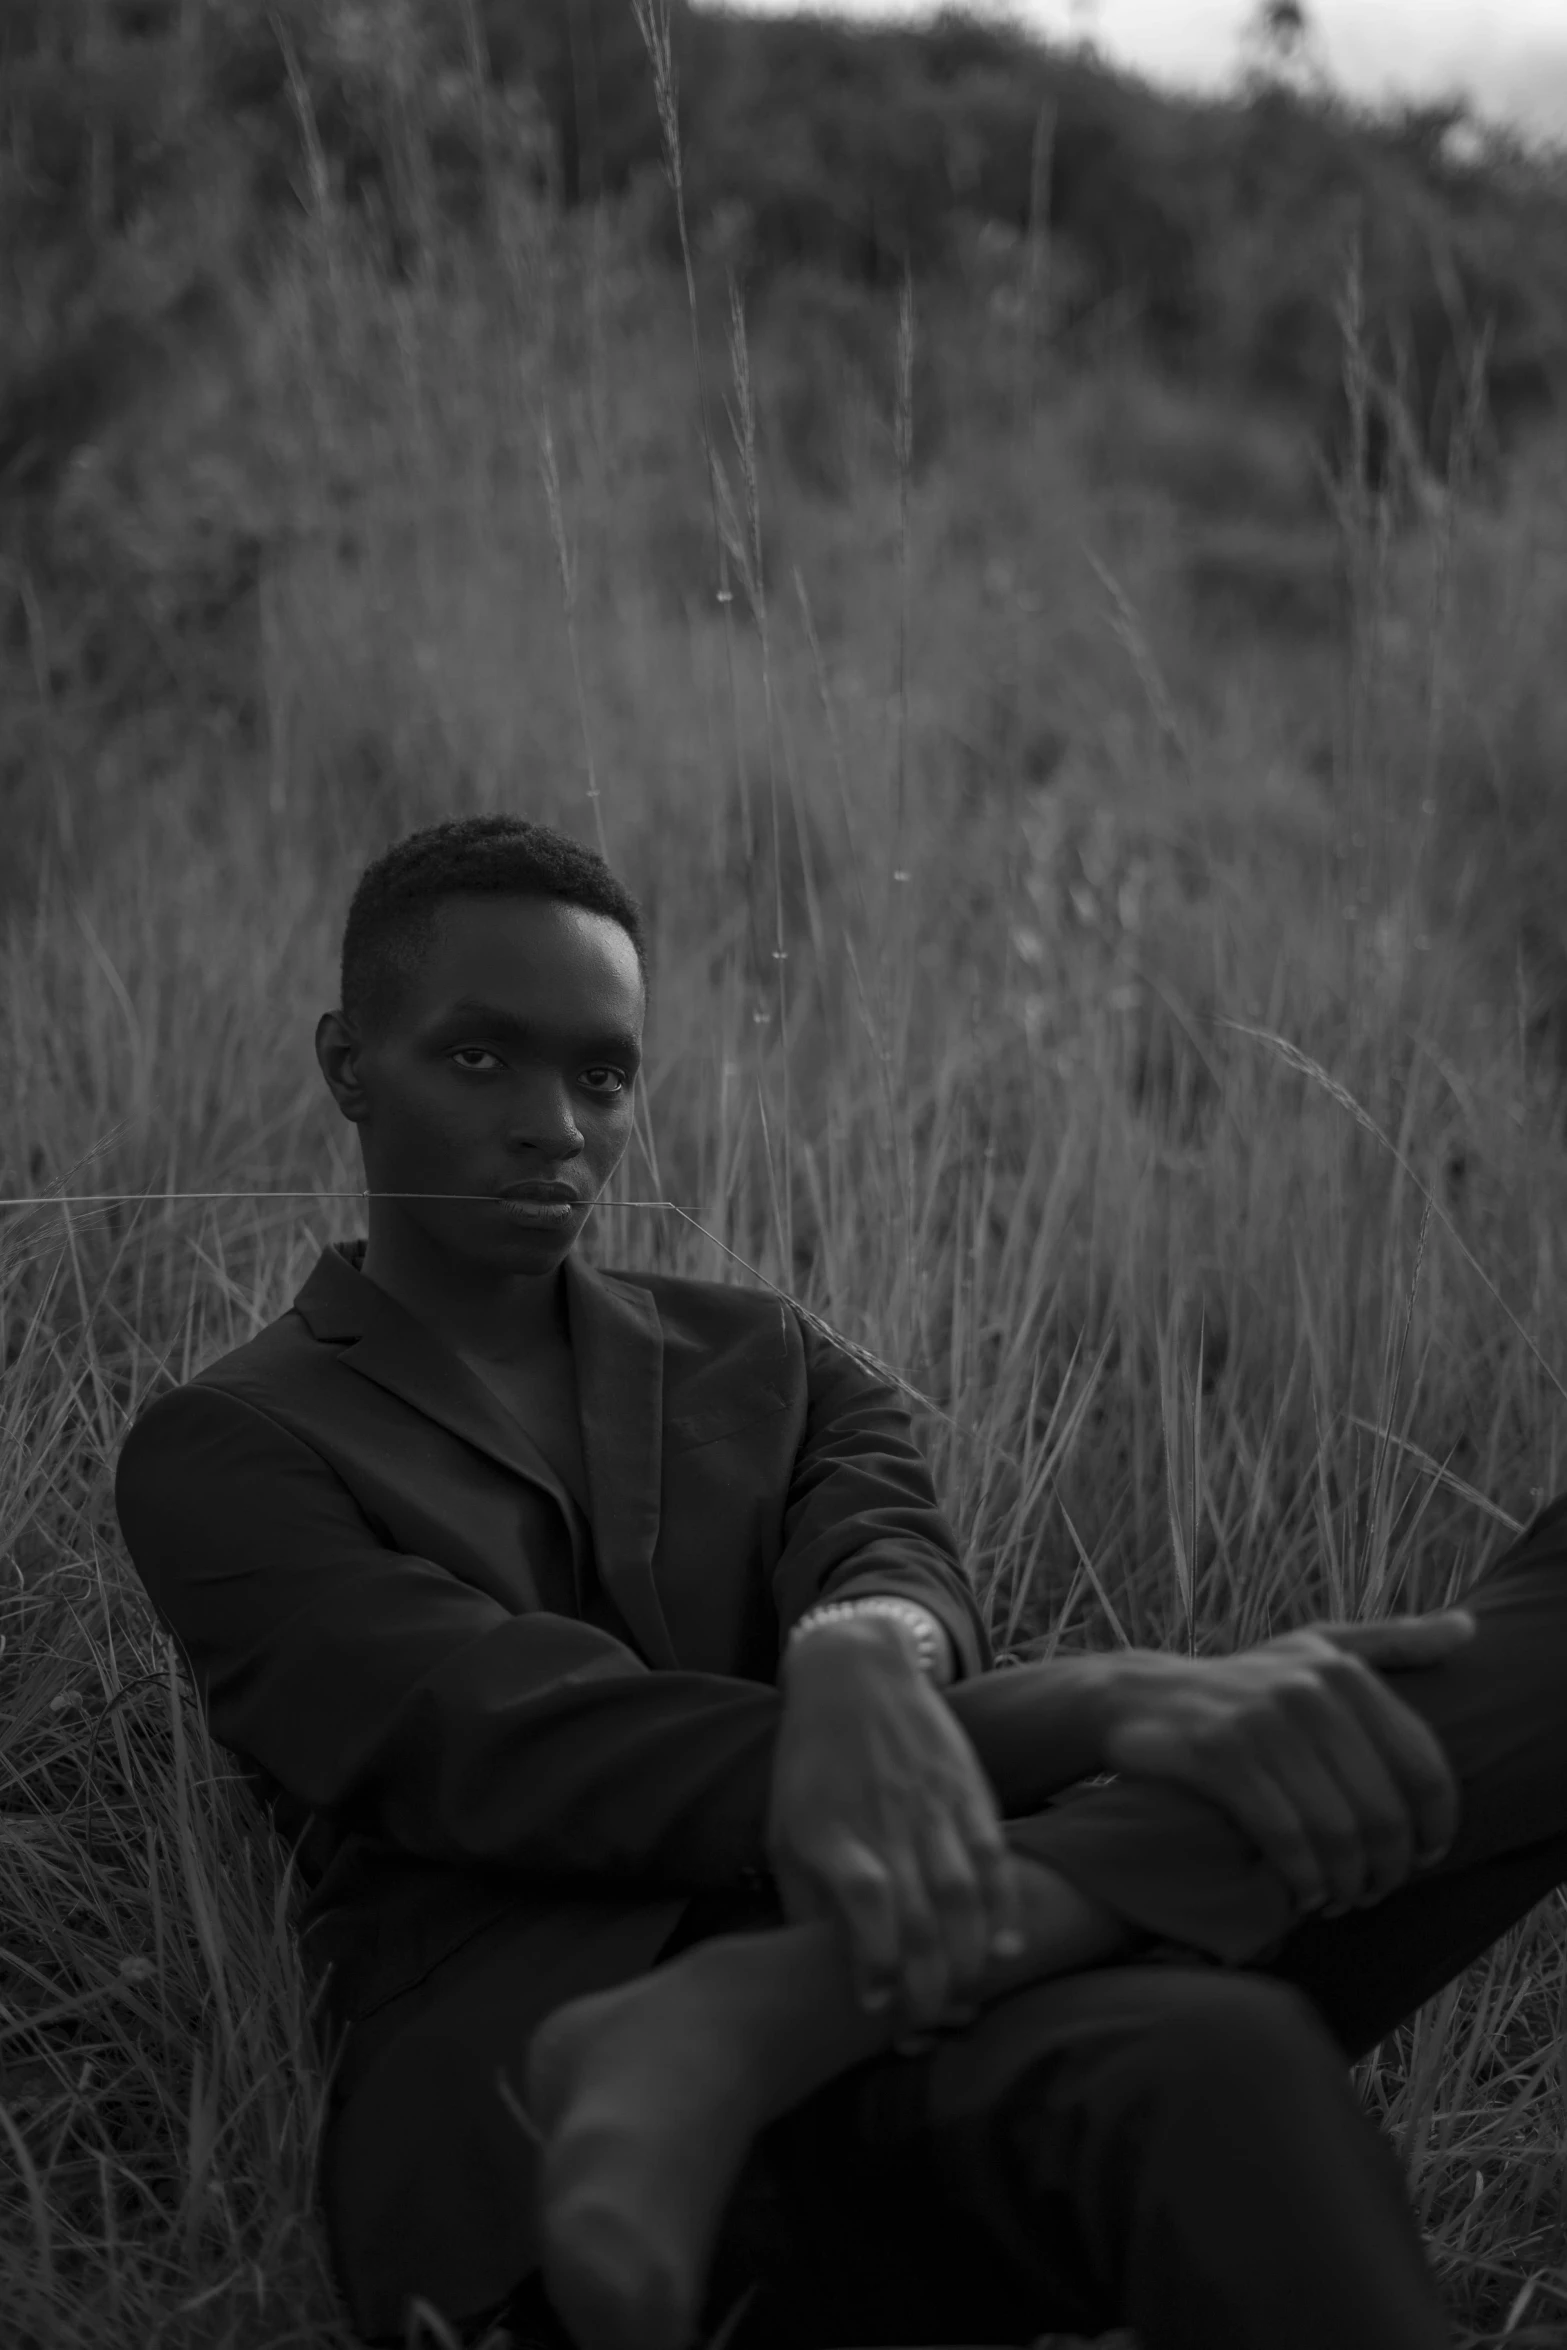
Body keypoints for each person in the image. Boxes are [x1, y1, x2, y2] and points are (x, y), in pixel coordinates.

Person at [113, 813, 1567, 2350]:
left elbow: (890, 1555)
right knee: (1213, 2058)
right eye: (480, 1058)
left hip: (941, 1947)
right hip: (559, 2104)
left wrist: (863, 1649)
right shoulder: (227, 1444)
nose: (555, 1124)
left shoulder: (767, 1353)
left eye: (602, 1074)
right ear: (348, 1064)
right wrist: (1099, 1697)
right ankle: (806, 1998)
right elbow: (505, 1743)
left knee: (1218, 2034)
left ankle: (825, 1988)